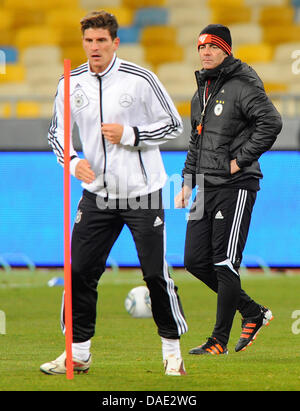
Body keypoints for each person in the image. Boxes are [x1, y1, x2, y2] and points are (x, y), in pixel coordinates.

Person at [41, 10, 188, 376]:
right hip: (97, 195)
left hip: (141, 193)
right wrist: (73, 162)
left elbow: (173, 123)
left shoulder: (140, 79)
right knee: (79, 273)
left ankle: (172, 353)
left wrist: (131, 134)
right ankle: (78, 353)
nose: (94, 47)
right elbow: (57, 134)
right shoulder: (69, 83)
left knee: (155, 274)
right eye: (88, 41)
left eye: (101, 41)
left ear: (115, 43)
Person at [175, 24, 282, 355]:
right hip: (205, 186)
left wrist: (239, 161)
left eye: (213, 47)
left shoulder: (243, 84)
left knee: (224, 262)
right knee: (194, 260)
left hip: (235, 185)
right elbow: (197, 140)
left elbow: (272, 122)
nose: (205, 53)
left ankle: (218, 341)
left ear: (226, 51)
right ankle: (252, 312)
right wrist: (187, 182)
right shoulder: (201, 93)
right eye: (201, 48)